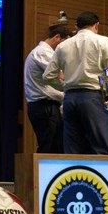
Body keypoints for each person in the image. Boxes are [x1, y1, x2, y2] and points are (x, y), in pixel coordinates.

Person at [43, 11, 108, 155]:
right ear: (96, 25)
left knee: (72, 150)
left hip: (69, 99)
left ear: (76, 27)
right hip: (94, 97)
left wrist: (64, 85)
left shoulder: (63, 45)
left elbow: (47, 76)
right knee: (101, 148)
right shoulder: (103, 42)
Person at [24, 23, 72, 153]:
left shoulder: (42, 51)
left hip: (45, 106)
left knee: (53, 147)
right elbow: (61, 77)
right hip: (44, 107)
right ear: (57, 37)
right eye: (65, 44)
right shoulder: (43, 52)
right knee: (49, 148)